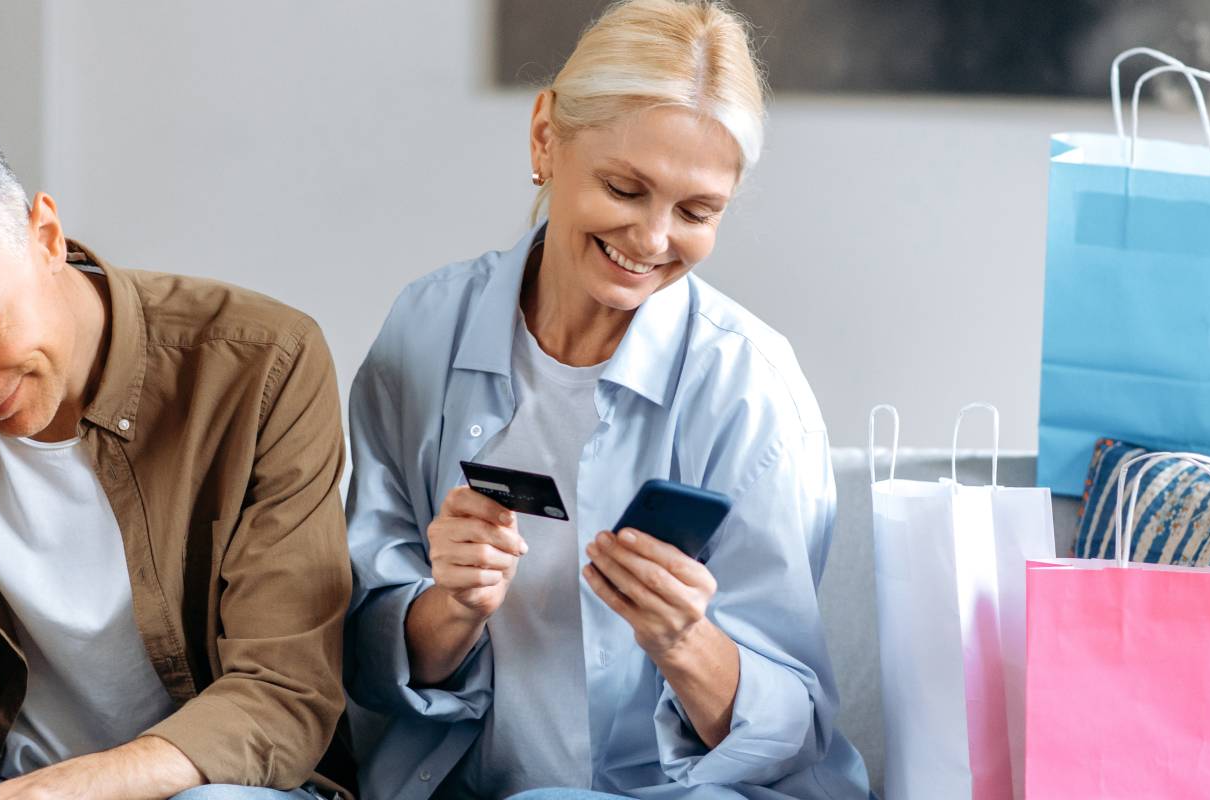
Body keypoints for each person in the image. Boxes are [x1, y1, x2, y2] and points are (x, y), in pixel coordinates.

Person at [343, 1, 870, 797]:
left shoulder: (747, 387)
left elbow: (796, 728)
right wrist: (452, 605)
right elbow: (360, 663)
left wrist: (684, 639)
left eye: (697, 212)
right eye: (626, 188)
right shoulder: (425, 330)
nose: (653, 241)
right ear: (546, 138)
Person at [0, 107, 354, 799]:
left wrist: (62, 791)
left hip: (208, 778)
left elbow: (286, 695)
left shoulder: (263, 363)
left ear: (47, 237)